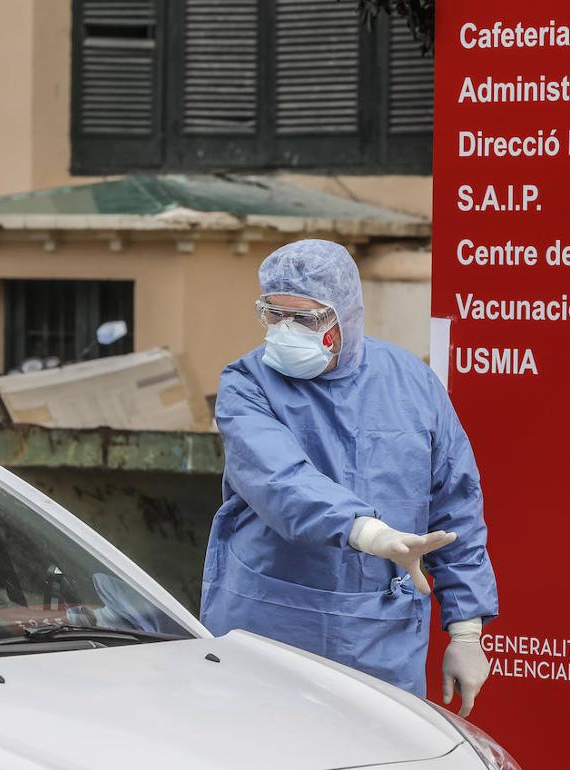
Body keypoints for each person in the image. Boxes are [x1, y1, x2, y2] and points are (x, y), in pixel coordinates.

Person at [201, 239, 498, 717]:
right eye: (274, 315)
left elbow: (455, 504)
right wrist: (370, 532)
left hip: (380, 639)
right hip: (269, 628)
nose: (285, 331)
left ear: (345, 317)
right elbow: (280, 481)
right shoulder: (247, 384)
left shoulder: (412, 384)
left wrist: (466, 630)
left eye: (305, 319)